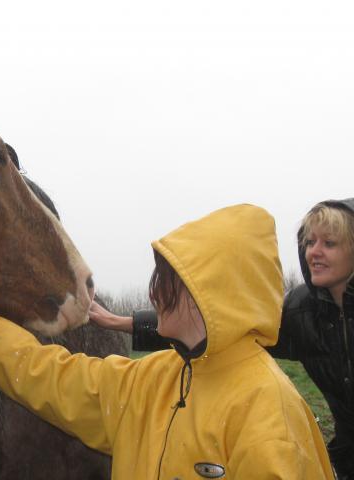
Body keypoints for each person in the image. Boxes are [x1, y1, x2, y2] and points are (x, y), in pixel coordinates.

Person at [0, 204, 334, 479]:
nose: (154, 294)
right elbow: (49, 376)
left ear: (207, 292)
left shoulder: (268, 412)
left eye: (165, 281)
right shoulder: (153, 380)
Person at [92, 198, 354, 479]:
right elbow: (215, 323)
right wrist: (123, 323)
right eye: (309, 242)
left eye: (329, 244)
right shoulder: (302, 310)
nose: (314, 252)